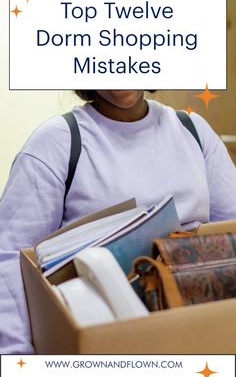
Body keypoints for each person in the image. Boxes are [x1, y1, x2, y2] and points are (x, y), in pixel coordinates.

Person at [0, 89, 236, 353]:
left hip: (200, 332)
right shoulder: (57, 142)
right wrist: (15, 354)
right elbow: (8, 257)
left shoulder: (193, 130)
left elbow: (230, 230)